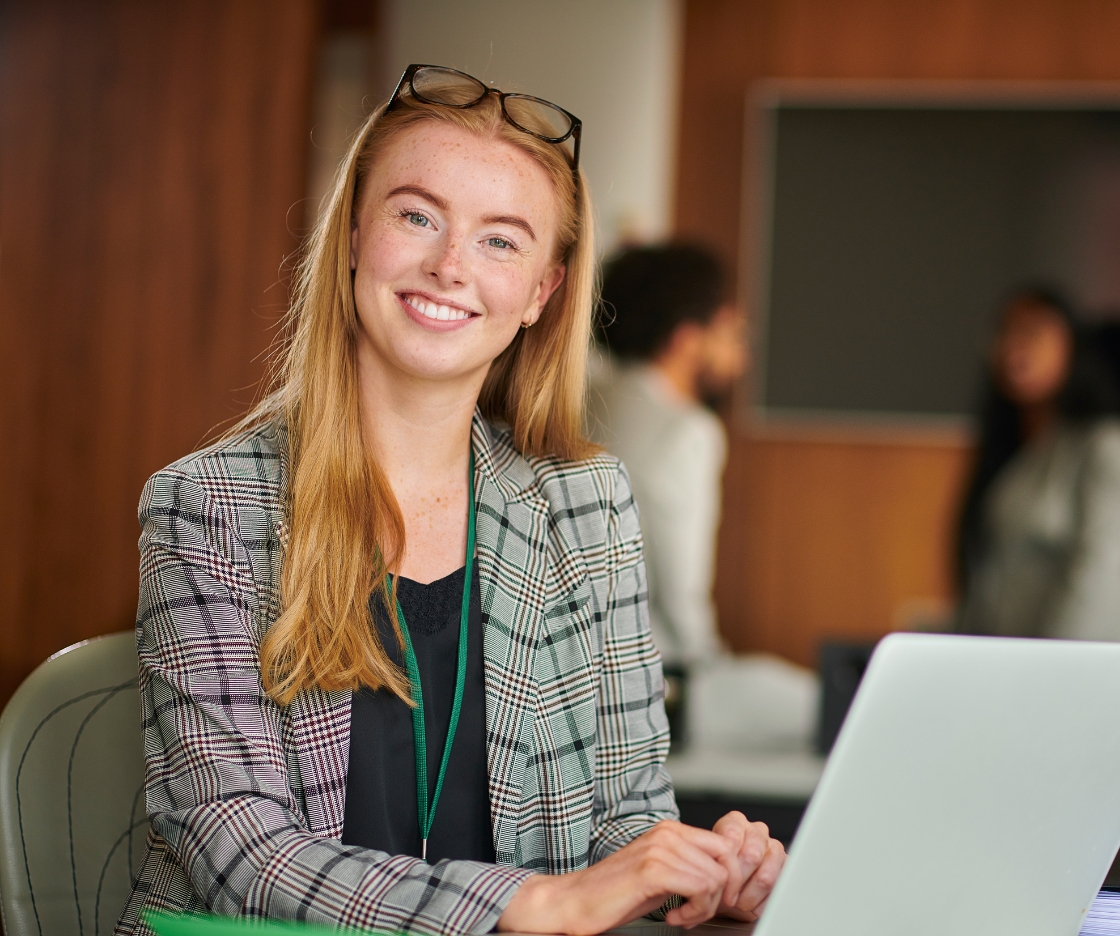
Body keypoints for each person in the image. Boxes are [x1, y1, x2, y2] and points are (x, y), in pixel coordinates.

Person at [117, 65, 784, 936]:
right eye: (417, 216)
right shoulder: (209, 504)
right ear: (357, 233)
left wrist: (688, 869)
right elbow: (237, 845)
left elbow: (624, 814)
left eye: (501, 241)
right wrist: (529, 901)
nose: (449, 266)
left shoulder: (586, 504)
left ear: (542, 293)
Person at [590, 245, 816, 751]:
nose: (743, 353)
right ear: (688, 338)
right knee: (824, 704)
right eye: (734, 332)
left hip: (562, 670)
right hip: (650, 684)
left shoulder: (576, 401)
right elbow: (680, 591)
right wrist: (709, 666)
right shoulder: (686, 430)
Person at [952, 287, 1120, 643]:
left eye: (1033, 332)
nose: (1015, 347)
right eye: (1005, 332)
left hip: (1083, 663)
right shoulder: (1008, 446)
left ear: (1071, 346)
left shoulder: (1105, 445)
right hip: (1010, 662)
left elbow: (1102, 568)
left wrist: (1053, 666)